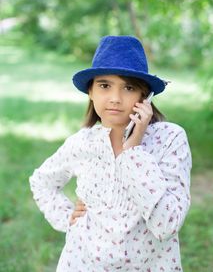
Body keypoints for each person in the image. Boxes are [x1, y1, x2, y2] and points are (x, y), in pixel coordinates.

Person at [29, 35, 192, 272]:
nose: (115, 98)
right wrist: (67, 218)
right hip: (82, 264)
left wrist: (134, 149)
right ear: (91, 92)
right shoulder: (82, 143)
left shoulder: (169, 139)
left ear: (144, 97)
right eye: (104, 86)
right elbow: (41, 181)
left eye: (128, 87)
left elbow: (167, 225)